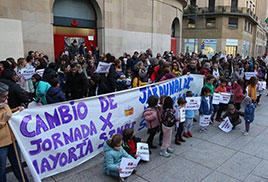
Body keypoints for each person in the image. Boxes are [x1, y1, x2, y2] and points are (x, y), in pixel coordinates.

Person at [0, 82, 29, 182]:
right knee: (1, 169)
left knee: (18, 164)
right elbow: (5, 118)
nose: (6, 99)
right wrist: (4, 121)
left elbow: (8, 113)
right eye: (4, 97)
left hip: (12, 140)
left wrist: (16, 110)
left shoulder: (3, 105)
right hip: (1, 145)